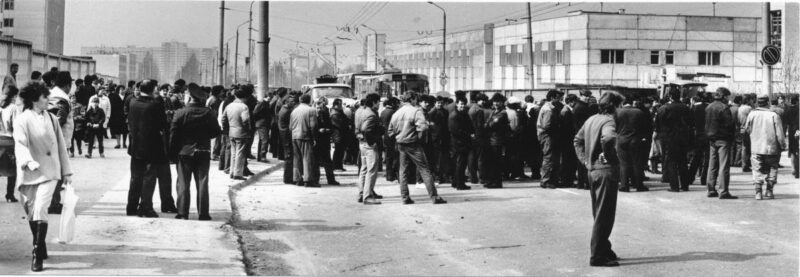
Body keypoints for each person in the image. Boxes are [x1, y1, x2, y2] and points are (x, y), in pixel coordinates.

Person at [13, 82, 73, 271]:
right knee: (31, 210)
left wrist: (67, 171)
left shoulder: (53, 118)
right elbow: (20, 144)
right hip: (29, 170)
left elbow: (61, 146)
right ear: (34, 99)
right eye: (45, 97)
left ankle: (36, 254)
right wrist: (28, 161)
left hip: (50, 171)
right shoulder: (22, 119)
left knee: (40, 208)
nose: (48, 99)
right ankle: (41, 244)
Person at [574, 91, 624, 267]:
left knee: (599, 212)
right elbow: (609, 137)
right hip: (605, 171)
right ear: (614, 106)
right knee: (604, 215)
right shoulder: (609, 120)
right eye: (620, 105)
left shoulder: (591, 119)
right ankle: (597, 256)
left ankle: (605, 248)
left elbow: (577, 140)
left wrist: (586, 160)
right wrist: (609, 155)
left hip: (592, 171)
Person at [170, 83, 221, 220]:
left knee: (183, 183)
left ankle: (182, 212)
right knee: (202, 182)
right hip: (203, 151)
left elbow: (173, 135)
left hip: (185, 152)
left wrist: (172, 154)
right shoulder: (209, 113)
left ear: (189, 97)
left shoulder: (180, 113)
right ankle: (203, 214)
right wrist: (204, 138)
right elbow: (217, 131)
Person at [388, 91, 446, 205]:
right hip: (413, 144)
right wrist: (419, 139)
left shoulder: (397, 113)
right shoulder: (416, 111)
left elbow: (390, 131)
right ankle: (434, 197)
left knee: (403, 171)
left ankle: (405, 197)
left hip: (401, 144)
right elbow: (423, 128)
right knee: (425, 169)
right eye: (416, 99)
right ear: (413, 99)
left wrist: (399, 137)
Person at [126, 79, 167, 218]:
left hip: (135, 146)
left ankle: (131, 207)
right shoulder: (155, 105)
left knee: (135, 177)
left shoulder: (133, 102)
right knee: (149, 178)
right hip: (151, 147)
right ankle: (146, 207)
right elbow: (162, 124)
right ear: (152, 89)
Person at [743, 94, 787, 200]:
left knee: (756, 169)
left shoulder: (751, 115)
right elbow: (780, 134)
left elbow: (747, 130)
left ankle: (758, 192)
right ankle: (769, 191)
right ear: (768, 103)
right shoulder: (774, 115)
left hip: (756, 147)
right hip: (771, 147)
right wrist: (782, 145)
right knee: (772, 168)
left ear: (758, 103)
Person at [656, 88, 695, 192]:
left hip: (669, 138)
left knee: (671, 162)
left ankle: (674, 186)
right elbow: (691, 123)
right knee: (683, 162)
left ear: (670, 96)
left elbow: (658, 125)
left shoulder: (663, 108)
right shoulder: (686, 108)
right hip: (683, 138)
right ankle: (685, 185)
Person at [46, 71, 73, 214]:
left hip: (53, 141)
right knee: (57, 172)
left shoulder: (52, 94)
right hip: (57, 141)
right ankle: (54, 203)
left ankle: (53, 201)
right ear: (68, 85)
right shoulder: (61, 98)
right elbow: (58, 120)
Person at [705, 87, 738, 199]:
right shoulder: (724, 108)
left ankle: (711, 189)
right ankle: (723, 191)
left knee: (712, 165)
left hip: (712, 139)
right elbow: (729, 125)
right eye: (727, 96)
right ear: (724, 96)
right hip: (723, 139)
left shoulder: (709, 106)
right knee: (723, 166)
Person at [355, 93, 385, 204]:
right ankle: (367, 196)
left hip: (361, 143)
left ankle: (363, 192)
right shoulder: (371, 114)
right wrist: (372, 142)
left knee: (364, 169)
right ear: (374, 102)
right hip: (369, 144)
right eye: (378, 102)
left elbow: (359, 128)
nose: (379, 104)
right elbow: (366, 129)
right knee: (371, 170)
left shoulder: (360, 111)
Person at [615, 96, 649, 192]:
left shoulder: (617, 112)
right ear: (632, 103)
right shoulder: (639, 112)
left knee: (623, 163)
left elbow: (614, 127)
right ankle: (639, 185)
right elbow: (644, 127)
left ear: (623, 103)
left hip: (622, 139)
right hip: (636, 140)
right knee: (637, 163)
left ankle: (624, 185)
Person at [222, 87, 253, 181]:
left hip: (231, 132)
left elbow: (223, 119)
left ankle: (232, 172)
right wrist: (248, 130)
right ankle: (238, 174)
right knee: (240, 154)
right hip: (242, 133)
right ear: (245, 97)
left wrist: (227, 129)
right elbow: (246, 120)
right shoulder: (244, 107)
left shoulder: (229, 105)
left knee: (233, 153)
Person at [290, 94, 318, 187]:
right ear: (309, 100)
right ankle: (308, 180)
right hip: (305, 136)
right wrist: (314, 137)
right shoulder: (311, 110)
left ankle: (297, 179)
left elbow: (290, 126)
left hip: (294, 136)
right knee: (307, 158)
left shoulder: (294, 111)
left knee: (297, 158)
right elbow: (313, 126)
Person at [537, 90, 564, 189]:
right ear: (552, 98)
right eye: (557, 98)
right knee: (548, 158)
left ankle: (553, 180)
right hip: (548, 136)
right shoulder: (548, 109)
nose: (559, 100)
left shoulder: (550, 107)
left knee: (554, 158)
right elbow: (546, 125)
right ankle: (545, 180)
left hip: (550, 135)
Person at [448, 97, 474, 190]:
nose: (462, 106)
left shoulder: (462, 114)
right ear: (457, 104)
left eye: (463, 104)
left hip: (462, 142)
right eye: (460, 104)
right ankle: (460, 184)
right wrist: (469, 135)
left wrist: (471, 132)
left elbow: (469, 125)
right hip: (458, 143)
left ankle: (456, 182)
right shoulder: (454, 115)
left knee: (459, 163)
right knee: (460, 163)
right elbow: (455, 131)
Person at [484, 93, 509, 188]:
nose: (496, 103)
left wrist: (489, 123)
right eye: (495, 101)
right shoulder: (494, 112)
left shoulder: (502, 113)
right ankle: (492, 180)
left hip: (497, 140)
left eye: (498, 102)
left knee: (496, 162)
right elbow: (487, 124)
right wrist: (489, 123)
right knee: (491, 162)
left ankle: (497, 182)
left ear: (502, 103)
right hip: (492, 139)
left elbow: (490, 125)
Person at [313, 96, 338, 186]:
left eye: (322, 106)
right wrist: (318, 130)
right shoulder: (314, 115)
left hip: (325, 140)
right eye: (319, 106)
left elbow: (331, 126)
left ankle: (330, 179)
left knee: (327, 161)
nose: (320, 108)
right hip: (318, 139)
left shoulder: (326, 114)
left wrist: (328, 130)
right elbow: (312, 127)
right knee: (317, 161)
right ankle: (316, 179)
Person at [1, 85, 19, 202]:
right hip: (9, 141)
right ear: (14, 96)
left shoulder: (1, 106)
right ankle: (9, 195)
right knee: (12, 170)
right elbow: (16, 126)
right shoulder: (14, 108)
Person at [278, 94, 297, 184]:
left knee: (289, 157)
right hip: (286, 136)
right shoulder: (286, 111)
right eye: (292, 101)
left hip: (285, 135)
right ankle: (288, 178)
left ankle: (289, 177)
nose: (294, 103)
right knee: (289, 157)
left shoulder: (285, 109)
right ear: (287, 102)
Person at [380, 97, 399, 182]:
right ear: (393, 104)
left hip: (385, 136)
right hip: (392, 136)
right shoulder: (393, 112)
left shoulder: (383, 112)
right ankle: (393, 175)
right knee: (394, 156)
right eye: (397, 103)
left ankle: (388, 175)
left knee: (388, 157)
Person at [253, 92, 272, 162]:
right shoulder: (262, 104)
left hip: (263, 124)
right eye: (269, 97)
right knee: (265, 140)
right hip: (262, 124)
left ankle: (260, 156)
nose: (270, 99)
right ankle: (262, 156)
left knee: (262, 140)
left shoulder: (265, 104)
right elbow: (255, 113)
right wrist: (260, 119)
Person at [331, 98, 349, 171]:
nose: (341, 106)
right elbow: (339, 124)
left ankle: (339, 165)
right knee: (338, 151)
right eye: (340, 104)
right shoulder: (334, 114)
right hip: (338, 135)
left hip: (342, 134)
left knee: (341, 151)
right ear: (336, 105)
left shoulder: (340, 112)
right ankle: (336, 166)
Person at [738, 94, 755, 172]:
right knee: (748, 148)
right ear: (748, 100)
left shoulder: (740, 108)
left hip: (741, 128)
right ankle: (746, 164)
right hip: (748, 129)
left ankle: (744, 164)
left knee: (744, 147)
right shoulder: (749, 108)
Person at [786, 95, 799, 179]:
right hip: (798, 130)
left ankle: (793, 169)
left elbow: (786, 121)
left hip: (791, 131)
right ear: (797, 101)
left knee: (793, 151)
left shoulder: (787, 110)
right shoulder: (799, 109)